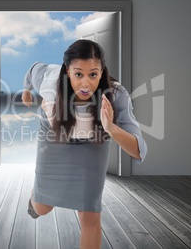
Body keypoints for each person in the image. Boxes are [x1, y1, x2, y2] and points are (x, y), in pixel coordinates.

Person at [21, 39, 147, 249]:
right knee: (42, 208)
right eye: (78, 74)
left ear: (102, 71)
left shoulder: (116, 96)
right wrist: (26, 90)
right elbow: (33, 69)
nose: (86, 83)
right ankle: (36, 198)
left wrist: (111, 128)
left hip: (94, 142)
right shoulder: (51, 81)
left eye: (93, 75)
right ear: (67, 71)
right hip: (55, 136)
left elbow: (138, 150)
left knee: (90, 214)